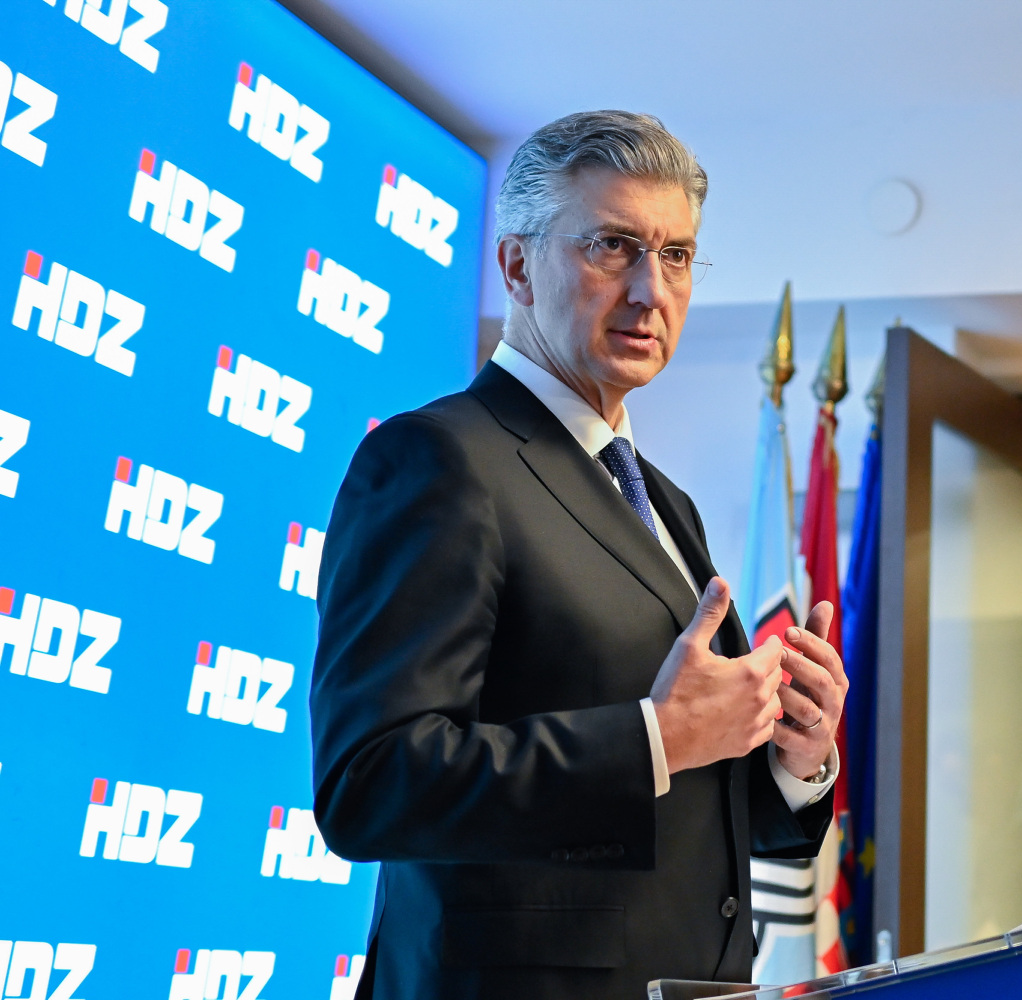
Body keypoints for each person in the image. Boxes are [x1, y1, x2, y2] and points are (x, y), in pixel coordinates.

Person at [310, 110, 846, 1000]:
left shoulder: (664, 502)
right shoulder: (437, 459)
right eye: (612, 246)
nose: (650, 290)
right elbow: (372, 784)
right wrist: (656, 736)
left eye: (676, 255)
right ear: (517, 266)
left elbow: (691, 809)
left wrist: (794, 756)